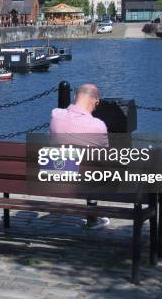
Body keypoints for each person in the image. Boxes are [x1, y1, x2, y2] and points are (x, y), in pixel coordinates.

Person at [49, 83, 110, 230]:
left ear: (75, 97)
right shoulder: (98, 126)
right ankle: (92, 216)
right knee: (96, 168)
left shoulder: (55, 116)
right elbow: (106, 154)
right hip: (85, 179)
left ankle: (92, 216)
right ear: (95, 101)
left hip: (57, 173)